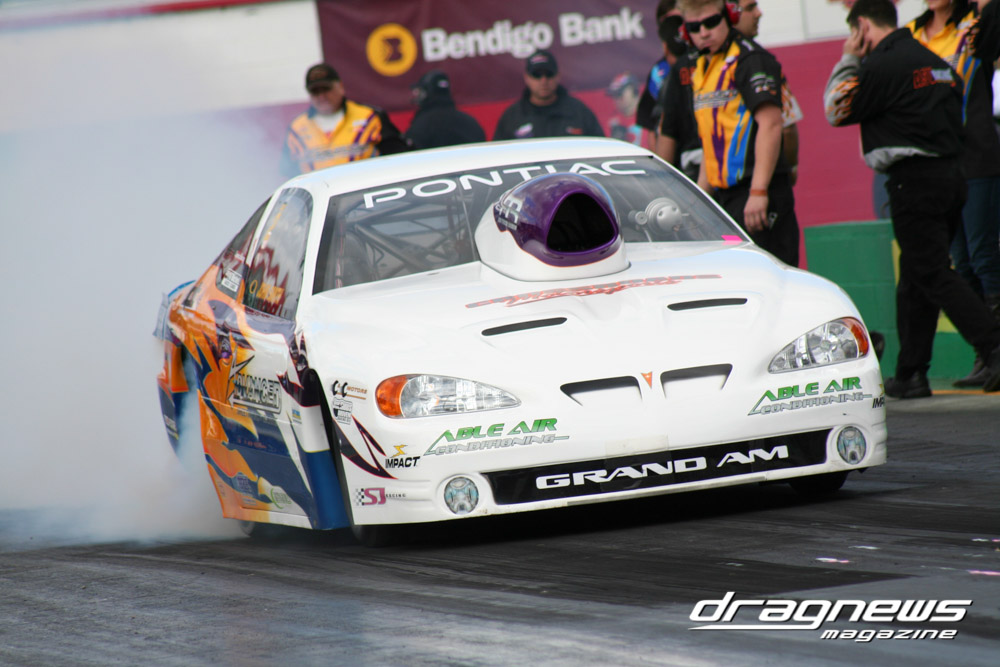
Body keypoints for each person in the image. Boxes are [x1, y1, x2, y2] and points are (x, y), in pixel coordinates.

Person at [824, 0, 1000, 396]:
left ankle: (993, 344)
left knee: (932, 272)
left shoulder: (881, 65)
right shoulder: (936, 63)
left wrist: (849, 58)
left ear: (862, 27)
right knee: (916, 277)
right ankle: (911, 373)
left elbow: (836, 107)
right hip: (953, 177)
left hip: (913, 181)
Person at [905, 0, 1000, 387]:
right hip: (937, 162)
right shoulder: (911, 34)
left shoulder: (975, 25)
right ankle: (986, 355)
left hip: (977, 156)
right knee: (960, 262)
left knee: (983, 256)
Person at [676, 0, 800, 267]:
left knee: (771, 278)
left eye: (711, 22)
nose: (704, 33)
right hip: (726, 199)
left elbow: (772, 124)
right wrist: (699, 201)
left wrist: (758, 191)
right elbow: (711, 143)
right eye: (695, 27)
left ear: (729, 16)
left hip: (757, 193)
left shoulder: (750, 59)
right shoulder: (701, 67)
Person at [280, 63, 409, 178]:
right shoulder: (296, 128)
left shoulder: (369, 117)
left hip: (366, 191)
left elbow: (400, 157)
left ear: (340, 87)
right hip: (320, 195)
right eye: (315, 91)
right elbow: (287, 173)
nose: (321, 96)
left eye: (326, 89)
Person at [492, 50, 604, 140]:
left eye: (549, 74)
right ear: (526, 78)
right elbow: (498, 155)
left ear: (558, 76)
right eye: (537, 75)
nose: (543, 81)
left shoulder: (579, 111)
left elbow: (600, 149)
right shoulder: (512, 117)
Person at [636, 0, 688, 149]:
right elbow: (650, 125)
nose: (675, 29)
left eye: (679, 20)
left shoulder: (704, 60)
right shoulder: (658, 73)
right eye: (668, 23)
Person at [403, 70, 486, 150]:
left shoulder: (422, 124)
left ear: (426, 92)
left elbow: (409, 153)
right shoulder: (470, 123)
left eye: (419, 91)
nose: (416, 94)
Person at [605, 73, 643, 144]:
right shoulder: (612, 123)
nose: (617, 99)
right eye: (614, 95)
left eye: (620, 93)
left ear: (633, 89)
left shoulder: (649, 117)